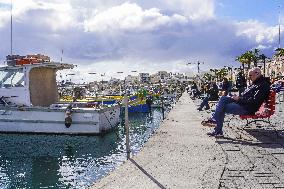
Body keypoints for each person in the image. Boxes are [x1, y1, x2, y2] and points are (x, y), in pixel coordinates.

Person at [202, 67, 271, 137]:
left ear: (257, 74)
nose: (249, 77)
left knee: (222, 107)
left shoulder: (262, 85)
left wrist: (238, 99)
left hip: (247, 108)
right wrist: (237, 97)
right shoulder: (256, 83)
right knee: (223, 99)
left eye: (250, 75)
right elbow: (247, 96)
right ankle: (214, 120)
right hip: (243, 103)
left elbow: (253, 101)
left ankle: (217, 129)